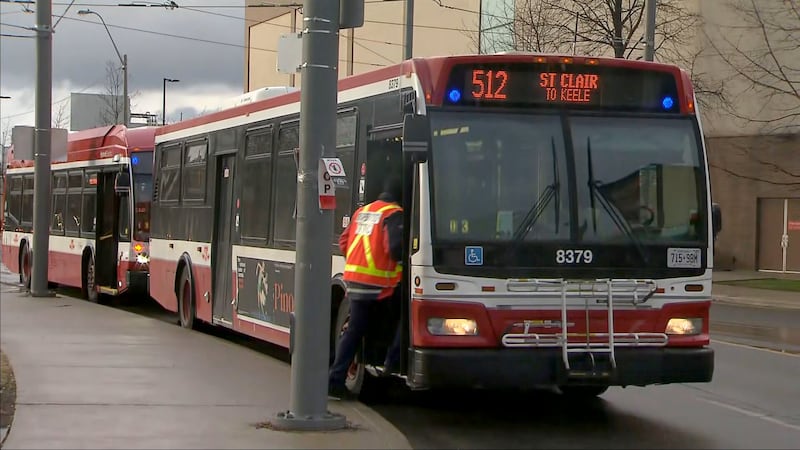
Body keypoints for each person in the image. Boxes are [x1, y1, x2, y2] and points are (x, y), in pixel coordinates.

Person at [328, 176, 404, 400]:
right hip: (379, 285)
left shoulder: (363, 211)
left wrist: (357, 264)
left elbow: (343, 242)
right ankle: (392, 363)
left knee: (354, 331)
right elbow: (395, 249)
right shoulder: (394, 213)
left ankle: (336, 378)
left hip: (354, 280)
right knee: (405, 317)